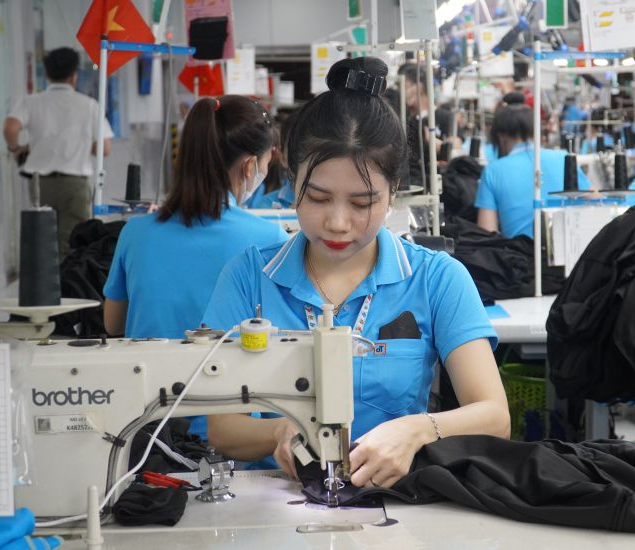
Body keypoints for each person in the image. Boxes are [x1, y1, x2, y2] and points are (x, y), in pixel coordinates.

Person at [202, 57, 510, 488]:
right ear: (292, 180)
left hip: (399, 499)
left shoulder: (438, 279)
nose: (338, 222)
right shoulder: (248, 277)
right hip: (274, 507)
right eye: (319, 198)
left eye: (362, 203)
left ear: (393, 194)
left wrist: (418, 429)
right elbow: (222, 427)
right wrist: (277, 431)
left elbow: (494, 415)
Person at [103, 96, 288, 341]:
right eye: (266, 163)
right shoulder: (270, 240)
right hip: (227, 375)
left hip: (146, 374)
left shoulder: (134, 233)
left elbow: (113, 324)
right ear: (250, 166)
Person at [3, 47, 113, 260]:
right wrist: (80, 143)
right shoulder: (89, 105)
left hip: (40, 185)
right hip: (75, 186)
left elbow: (10, 128)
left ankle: (44, 291)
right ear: (74, 76)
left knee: (42, 242)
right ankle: (68, 291)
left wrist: (16, 149)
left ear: (46, 75)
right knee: (74, 245)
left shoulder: (31, 102)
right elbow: (105, 148)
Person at [475, 103, 592, 238]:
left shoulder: (492, 171)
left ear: (501, 136)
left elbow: (487, 234)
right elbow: (599, 203)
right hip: (569, 251)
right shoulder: (563, 158)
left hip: (519, 255)